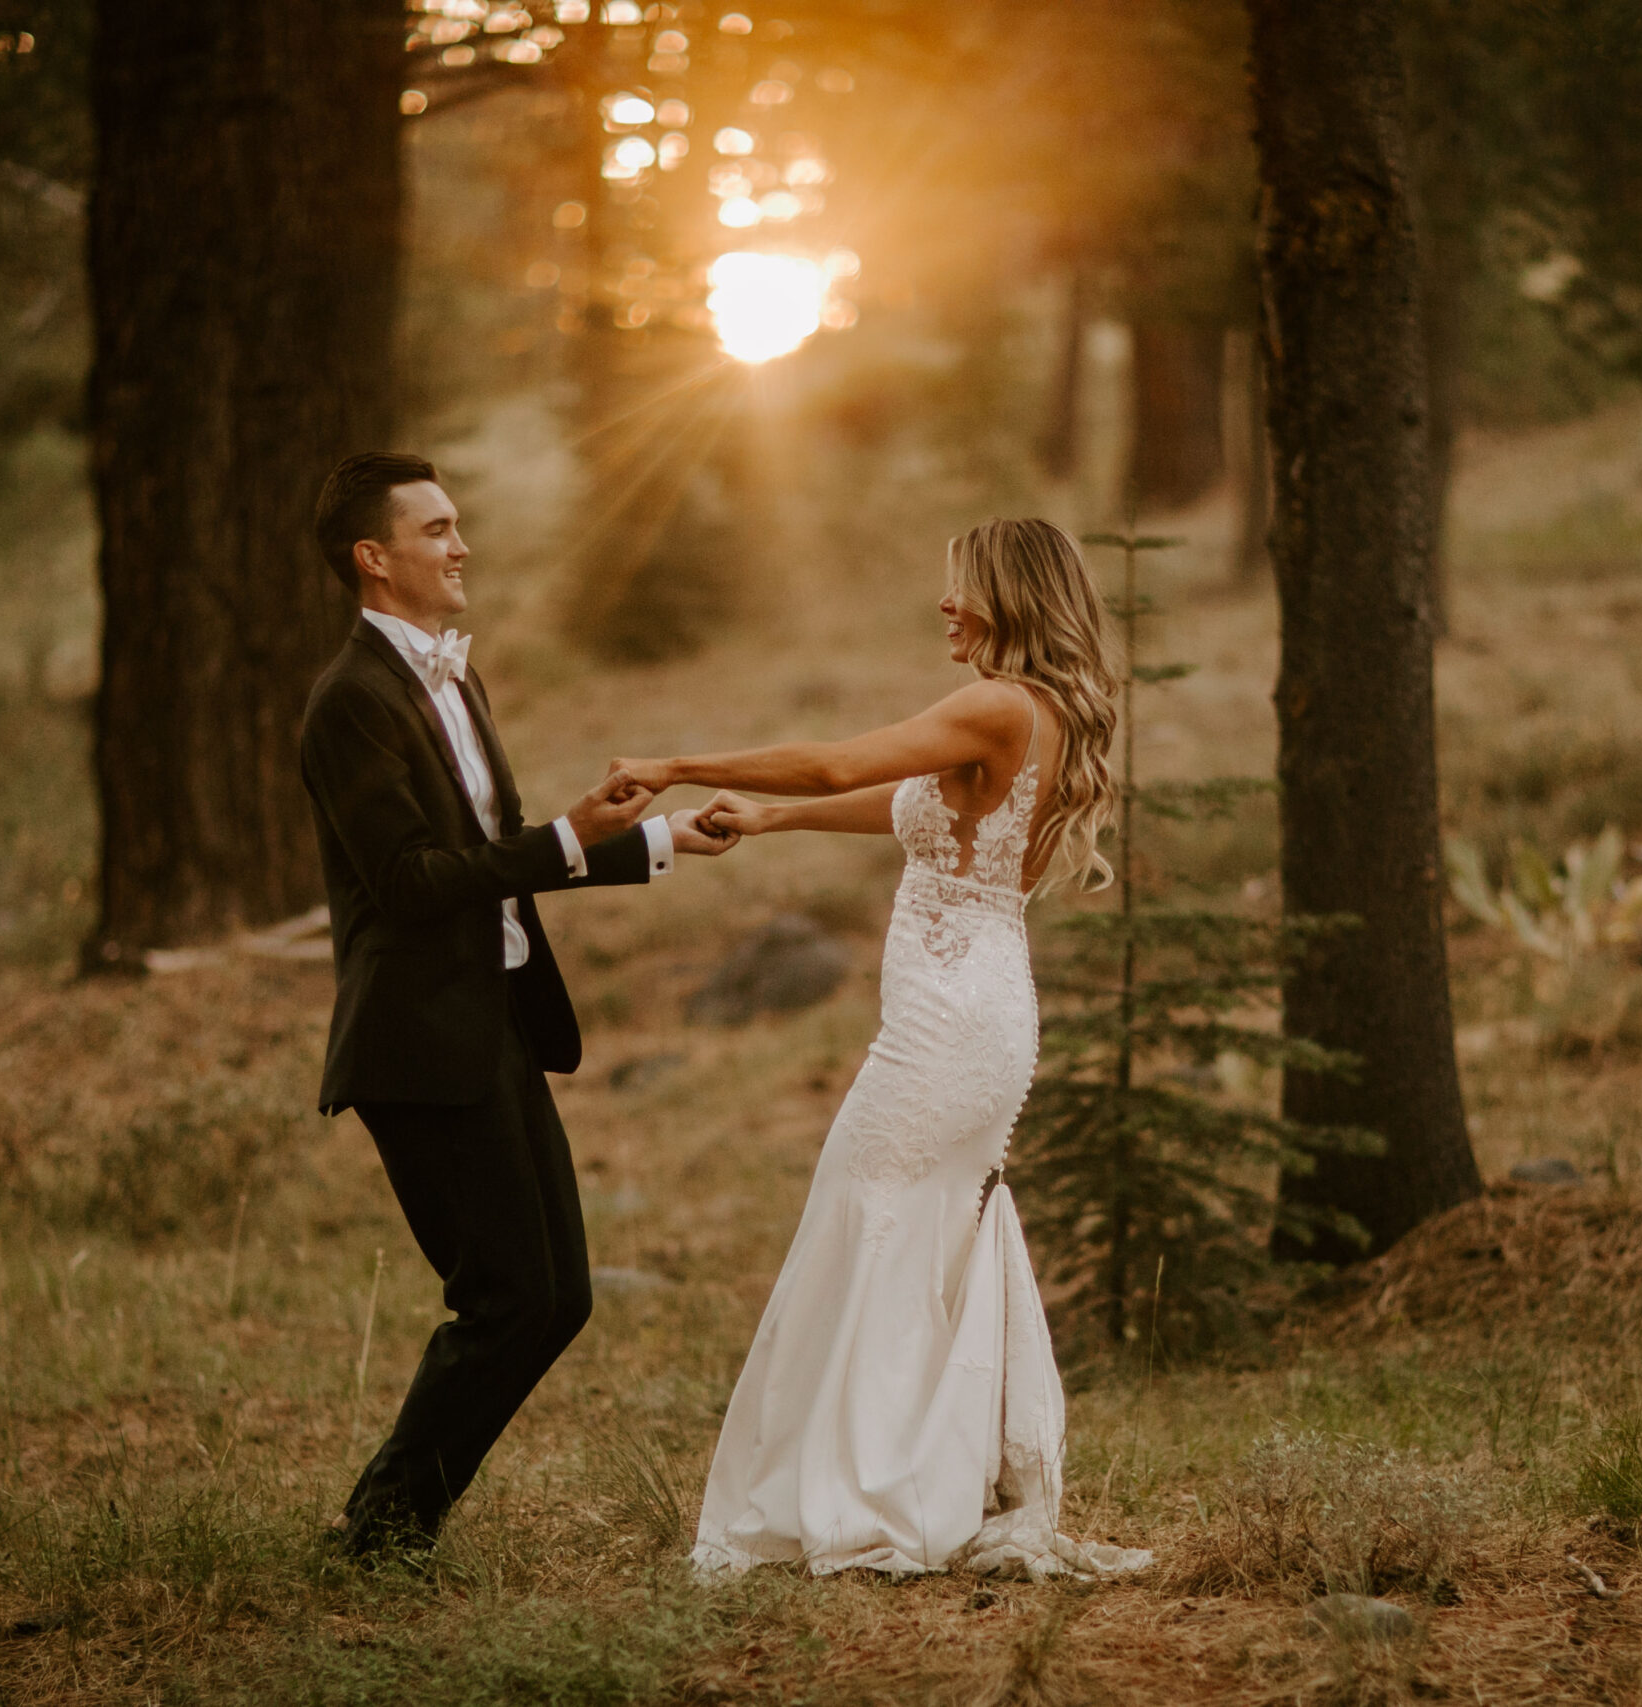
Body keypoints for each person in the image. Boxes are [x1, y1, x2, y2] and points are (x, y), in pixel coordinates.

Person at [605, 517, 1154, 1580]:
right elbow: (908, 804)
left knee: (868, 1218)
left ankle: (867, 1494)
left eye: (961, 588)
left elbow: (832, 759)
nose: (945, 605)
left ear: (1009, 594)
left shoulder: (994, 703)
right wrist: (769, 822)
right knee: (910, 1229)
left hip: (948, 1025)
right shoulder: (1029, 716)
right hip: (979, 1011)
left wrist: (677, 762)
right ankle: (914, 1477)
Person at [299, 451, 736, 1561]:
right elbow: (409, 885)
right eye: (437, 529)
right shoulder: (348, 702)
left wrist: (651, 843)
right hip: (417, 1043)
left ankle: (387, 1524)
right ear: (375, 558)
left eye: (458, 527)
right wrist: (569, 835)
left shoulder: (452, 677)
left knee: (560, 1297)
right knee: (505, 1299)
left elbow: (493, 856)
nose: (461, 546)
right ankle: (382, 1532)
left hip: (495, 1020)